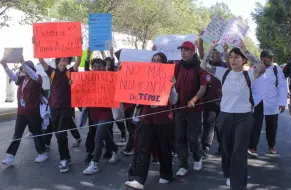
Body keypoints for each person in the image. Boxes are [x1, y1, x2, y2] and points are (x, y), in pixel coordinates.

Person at [200, 41, 265, 189]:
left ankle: (238, 184)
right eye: (231, 57)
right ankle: (228, 174)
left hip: (244, 118)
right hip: (225, 117)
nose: (233, 59)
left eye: (237, 57)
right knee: (227, 150)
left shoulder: (249, 74)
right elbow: (203, 66)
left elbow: (261, 67)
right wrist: (211, 47)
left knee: (239, 151)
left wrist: (246, 51)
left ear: (243, 61)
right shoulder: (224, 72)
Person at [125, 52, 178, 189]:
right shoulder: (145, 78)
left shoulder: (170, 79)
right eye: (154, 60)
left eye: (159, 60)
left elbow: (173, 100)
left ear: (165, 63)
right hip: (147, 119)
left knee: (164, 149)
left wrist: (172, 87)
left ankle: (166, 174)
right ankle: (139, 179)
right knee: (143, 148)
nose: (156, 63)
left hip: (163, 120)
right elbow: (136, 95)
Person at [33, 36, 81, 173]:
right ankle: (67, 156)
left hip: (66, 109)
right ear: (58, 60)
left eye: (67, 58)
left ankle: (64, 160)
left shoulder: (70, 72)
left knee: (60, 134)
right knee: (59, 134)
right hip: (54, 108)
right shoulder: (51, 72)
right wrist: (36, 44)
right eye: (64, 58)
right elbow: (41, 60)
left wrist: (79, 46)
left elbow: (78, 60)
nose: (66, 59)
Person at [173, 41, 212, 177]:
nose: (183, 52)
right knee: (179, 137)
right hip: (179, 108)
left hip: (195, 110)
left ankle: (197, 156)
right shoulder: (177, 66)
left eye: (186, 50)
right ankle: (183, 165)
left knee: (193, 137)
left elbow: (203, 87)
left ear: (193, 52)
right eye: (181, 50)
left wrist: (194, 100)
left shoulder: (200, 67)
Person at [1, 57, 48, 166]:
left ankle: (42, 153)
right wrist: (4, 66)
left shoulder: (37, 79)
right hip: (21, 112)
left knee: (37, 133)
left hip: (33, 112)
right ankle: (11, 156)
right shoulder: (21, 80)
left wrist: (23, 63)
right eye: (22, 68)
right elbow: (12, 76)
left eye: (25, 68)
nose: (23, 70)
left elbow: (33, 74)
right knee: (17, 134)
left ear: (30, 69)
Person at [83, 58, 121, 175]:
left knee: (98, 138)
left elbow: (119, 82)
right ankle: (115, 150)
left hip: (106, 113)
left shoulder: (110, 78)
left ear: (105, 67)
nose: (97, 68)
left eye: (99, 66)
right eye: (94, 66)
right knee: (105, 136)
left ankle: (94, 163)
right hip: (93, 113)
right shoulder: (87, 79)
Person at [248, 49, 288, 156]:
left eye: (272, 57)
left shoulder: (276, 69)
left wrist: (282, 102)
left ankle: (271, 146)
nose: (271, 59)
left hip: (272, 101)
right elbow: (247, 84)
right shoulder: (253, 69)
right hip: (258, 101)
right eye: (269, 57)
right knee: (255, 125)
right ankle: (252, 148)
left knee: (272, 126)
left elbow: (283, 85)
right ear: (262, 58)